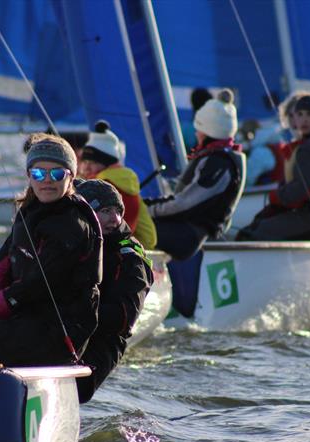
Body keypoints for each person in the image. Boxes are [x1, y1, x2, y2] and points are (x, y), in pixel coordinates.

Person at [0, 133, 102, 374]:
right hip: (28, 320)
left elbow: (38, 285)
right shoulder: (29, 214)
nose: (47, 181)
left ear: (71, 177)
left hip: (59, 332)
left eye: (56, 174)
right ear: (29, 176)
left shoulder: (72, 225)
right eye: (38, 173)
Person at [73, 179, 153, 403]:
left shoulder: (130, 258)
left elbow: (123, 317)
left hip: (101, 345)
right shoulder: (77, 243)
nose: (115, 219)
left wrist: (72, 313)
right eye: (105, 211)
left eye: (117, 211)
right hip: (66, 334)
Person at [235, 92, 310, 242]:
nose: (304, 120)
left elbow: (302, 189)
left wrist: (276, 196)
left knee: (254, 232)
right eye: (299, 114)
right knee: (259, 225)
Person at [146, 88, 246, 260]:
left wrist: (146, 209)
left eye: (198, 128)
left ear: (208, 131)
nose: (196, 133)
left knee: (131, 230)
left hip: (188, 235)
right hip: (185, 230)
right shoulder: (216, 156)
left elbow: (185, 203)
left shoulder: (218, 162)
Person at [77, 120, 158, 250]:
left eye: (91, 162)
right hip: (124, 252)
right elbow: (149, 237)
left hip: (100, 252)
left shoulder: (97, 188)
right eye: (85, 162)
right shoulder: (132, 189)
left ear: (105, 162)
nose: (85, 168)